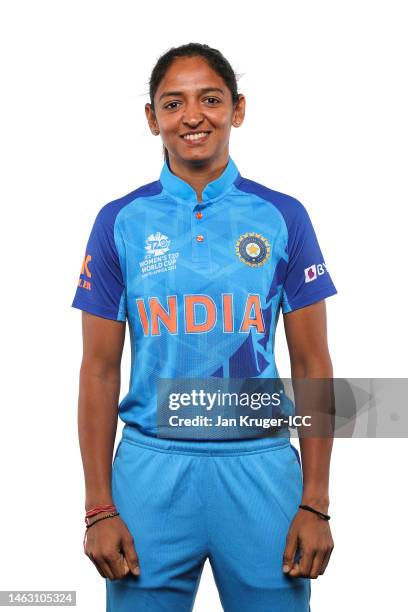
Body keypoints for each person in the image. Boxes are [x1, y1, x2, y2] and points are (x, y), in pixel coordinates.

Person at [71, 42, 336, 612]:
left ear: (237, 109)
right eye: (173, 103)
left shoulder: (283, 216)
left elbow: (314, 365)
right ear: (152, 118)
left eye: (210, 99)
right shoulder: (119, 221)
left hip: (261, 470)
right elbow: (97, 370)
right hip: (150, 473)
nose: (193, 116)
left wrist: (315, 502)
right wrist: (98, 507)